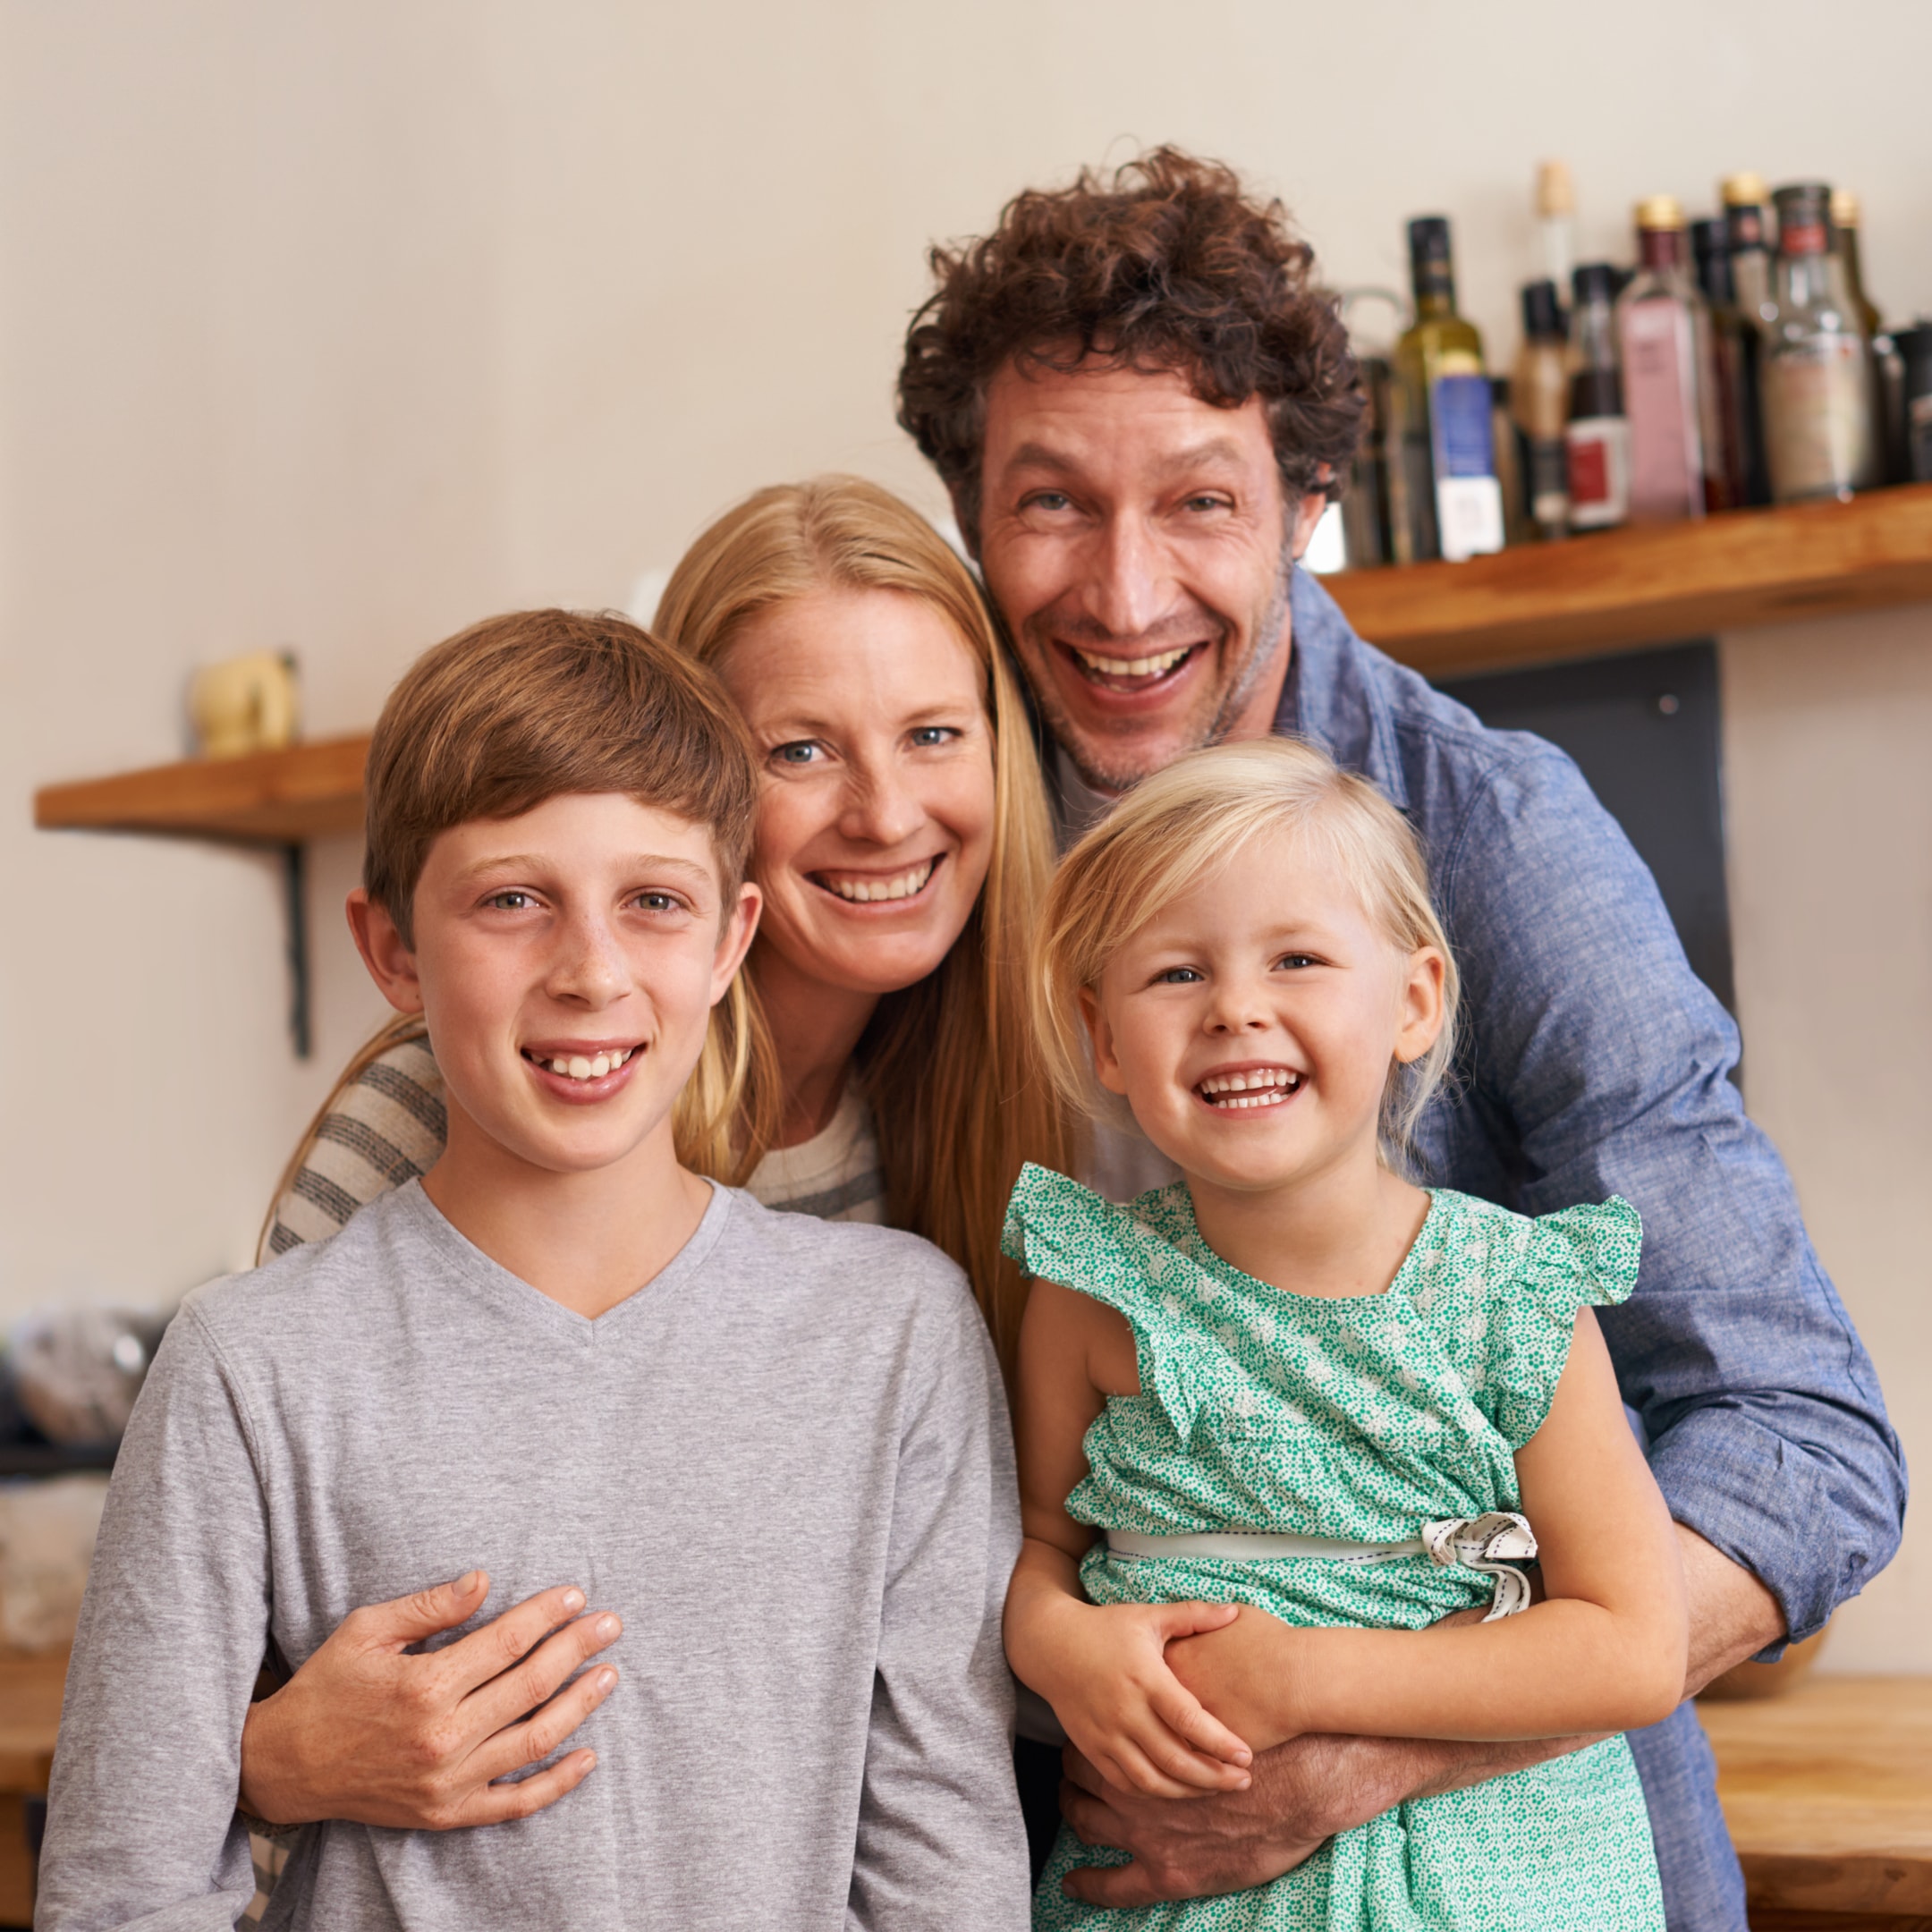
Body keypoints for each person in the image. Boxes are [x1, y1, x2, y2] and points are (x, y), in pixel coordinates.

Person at [894, 148, 1903, 1929]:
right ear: (973, 516)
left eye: (1199, 505)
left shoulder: (1489, 842)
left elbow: (1805, 1448)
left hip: (1513, 1868)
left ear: (1303, 504)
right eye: (1053, 505)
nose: (1124, 601)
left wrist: (1344, 1758)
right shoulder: (940, 831)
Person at [39, 611, 1030, 1931]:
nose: (590, 972)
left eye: (654, 903)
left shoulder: (893, 1332)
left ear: (731, 941)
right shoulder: (248, 1367)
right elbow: (123, 1893)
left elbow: (947, 1877)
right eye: (513, 901)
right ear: (392, 949)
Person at [233, 478, 1071, 1847]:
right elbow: (254, 1621)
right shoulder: (449, 1103)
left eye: (932, 734)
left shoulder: (1000, 1108)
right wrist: (266, 1762)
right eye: (799, 752)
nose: (884, 813)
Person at [1004, 738, 1682, 1928]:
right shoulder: (1092, 1292)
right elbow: (1039, 1544)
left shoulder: (1512, 1295)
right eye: (1173, 974)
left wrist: (1302, 1678)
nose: (1237, 1010)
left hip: (1486, 1885)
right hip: (1167, 1888)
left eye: (1298, 959)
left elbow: (1632, 1647)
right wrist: (1059, 1644)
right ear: (1104, 1035)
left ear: (1414, 1001)